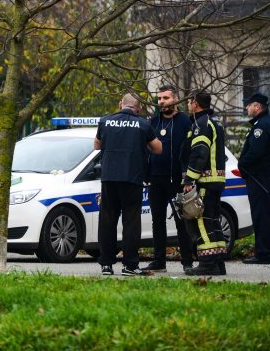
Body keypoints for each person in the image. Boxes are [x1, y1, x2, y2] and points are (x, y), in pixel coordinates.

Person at [94, 93, 162, 276]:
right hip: (132, 178)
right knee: (131, 222)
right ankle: (130, 265)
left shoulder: (105, 121)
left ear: (120, 105)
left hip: (109, 178)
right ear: (138, 108)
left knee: (107, 221)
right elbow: (158, 149)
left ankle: (106, 265)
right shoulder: (143, 124)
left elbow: (97, 145)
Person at [143, 85, 194, 273]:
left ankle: (187, 261)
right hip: (155, 179)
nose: (162, 102)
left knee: (182, 220)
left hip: (177, 180)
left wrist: (188, 177)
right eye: (159, 99)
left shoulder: (185, 122)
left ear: (175, 99)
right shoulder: (153, 122)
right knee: (157, 221)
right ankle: (159, 261)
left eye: (166, 98)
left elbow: (191, 151)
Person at [183, 91, 228, 276]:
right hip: (216, 181)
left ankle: (207, 263)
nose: (188, 105)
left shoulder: (201, 125)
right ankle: (218, 264)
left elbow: (199, 154)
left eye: (189, 102)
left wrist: (189, 179)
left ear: (195, 103)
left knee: (201, 221)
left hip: (205, 182)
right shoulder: (214, 122)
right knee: (213, 221)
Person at [238, 93, 270, 265]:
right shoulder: (266, 123)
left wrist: (242, 164)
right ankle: (266, 252)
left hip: (261, 177)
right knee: (265, 214)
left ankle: (264, 254)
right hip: (264, 176)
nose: (247, 108)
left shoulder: (262, 126)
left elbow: (256, 153)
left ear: (257, 107)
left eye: (249, 105)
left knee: (262, 215)